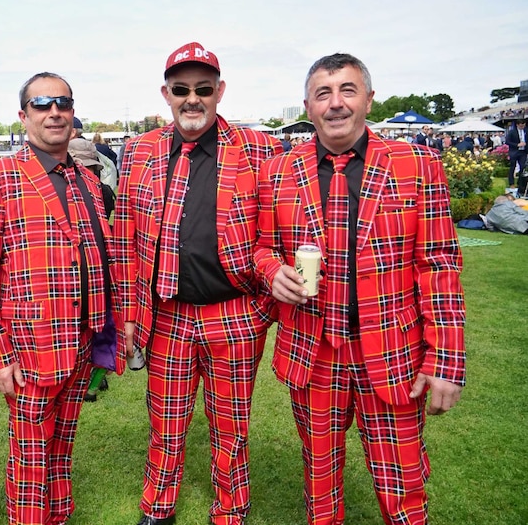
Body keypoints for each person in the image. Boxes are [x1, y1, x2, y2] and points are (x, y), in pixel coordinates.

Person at [253, 52, 466, 525]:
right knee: (319, 480)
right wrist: (272, 272)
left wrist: (446, 360)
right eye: (323, 94)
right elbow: (261, 246)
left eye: (347, 90)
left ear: (369, 99)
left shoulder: (416, 164)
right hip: (314, 352)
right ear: (307, 106)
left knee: (403, 483)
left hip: (393, 353)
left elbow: (439, 265)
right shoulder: (278, 172)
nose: (335, 104)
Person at [115, 42, 281, 525]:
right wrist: (129, 314)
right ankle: (158, 507)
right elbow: (126, 241)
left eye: (203, 89)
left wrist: (262, 306)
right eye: (182, 89)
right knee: (165, 422)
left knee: (231, 425)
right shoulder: (141, 150)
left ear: (219, 92)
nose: (193, 99)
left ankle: (230, 510)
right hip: (166, 314)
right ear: (166, 93)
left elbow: (282, 230)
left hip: (234, 313)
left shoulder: (258, 148)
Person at [0, 71, 123, 525]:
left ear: (73, 113)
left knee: (61, 451)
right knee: (32, 461)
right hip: (30, 349)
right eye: (41, 104)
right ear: (23, 114)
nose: (54, 112)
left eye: (63, 103)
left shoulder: (88, 183)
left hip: (80, 344)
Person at [67, 136, 118, 403]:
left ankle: (92, 383)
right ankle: (92, 380)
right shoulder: (102, 190)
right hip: (81, 274)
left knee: (104, 330)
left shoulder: (100, 191)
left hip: (97, 271)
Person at [505, 119, 527, 188]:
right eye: (521, 126)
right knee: (513, 167)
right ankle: (511, 183)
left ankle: (520, 183)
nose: (522, 127)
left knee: (522, 167)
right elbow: (507, 142)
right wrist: (517, 145)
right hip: (514, 151)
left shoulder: (526, 131)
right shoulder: (512, 132)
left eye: (523, 125)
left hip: (523, 152)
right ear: (517, 125)